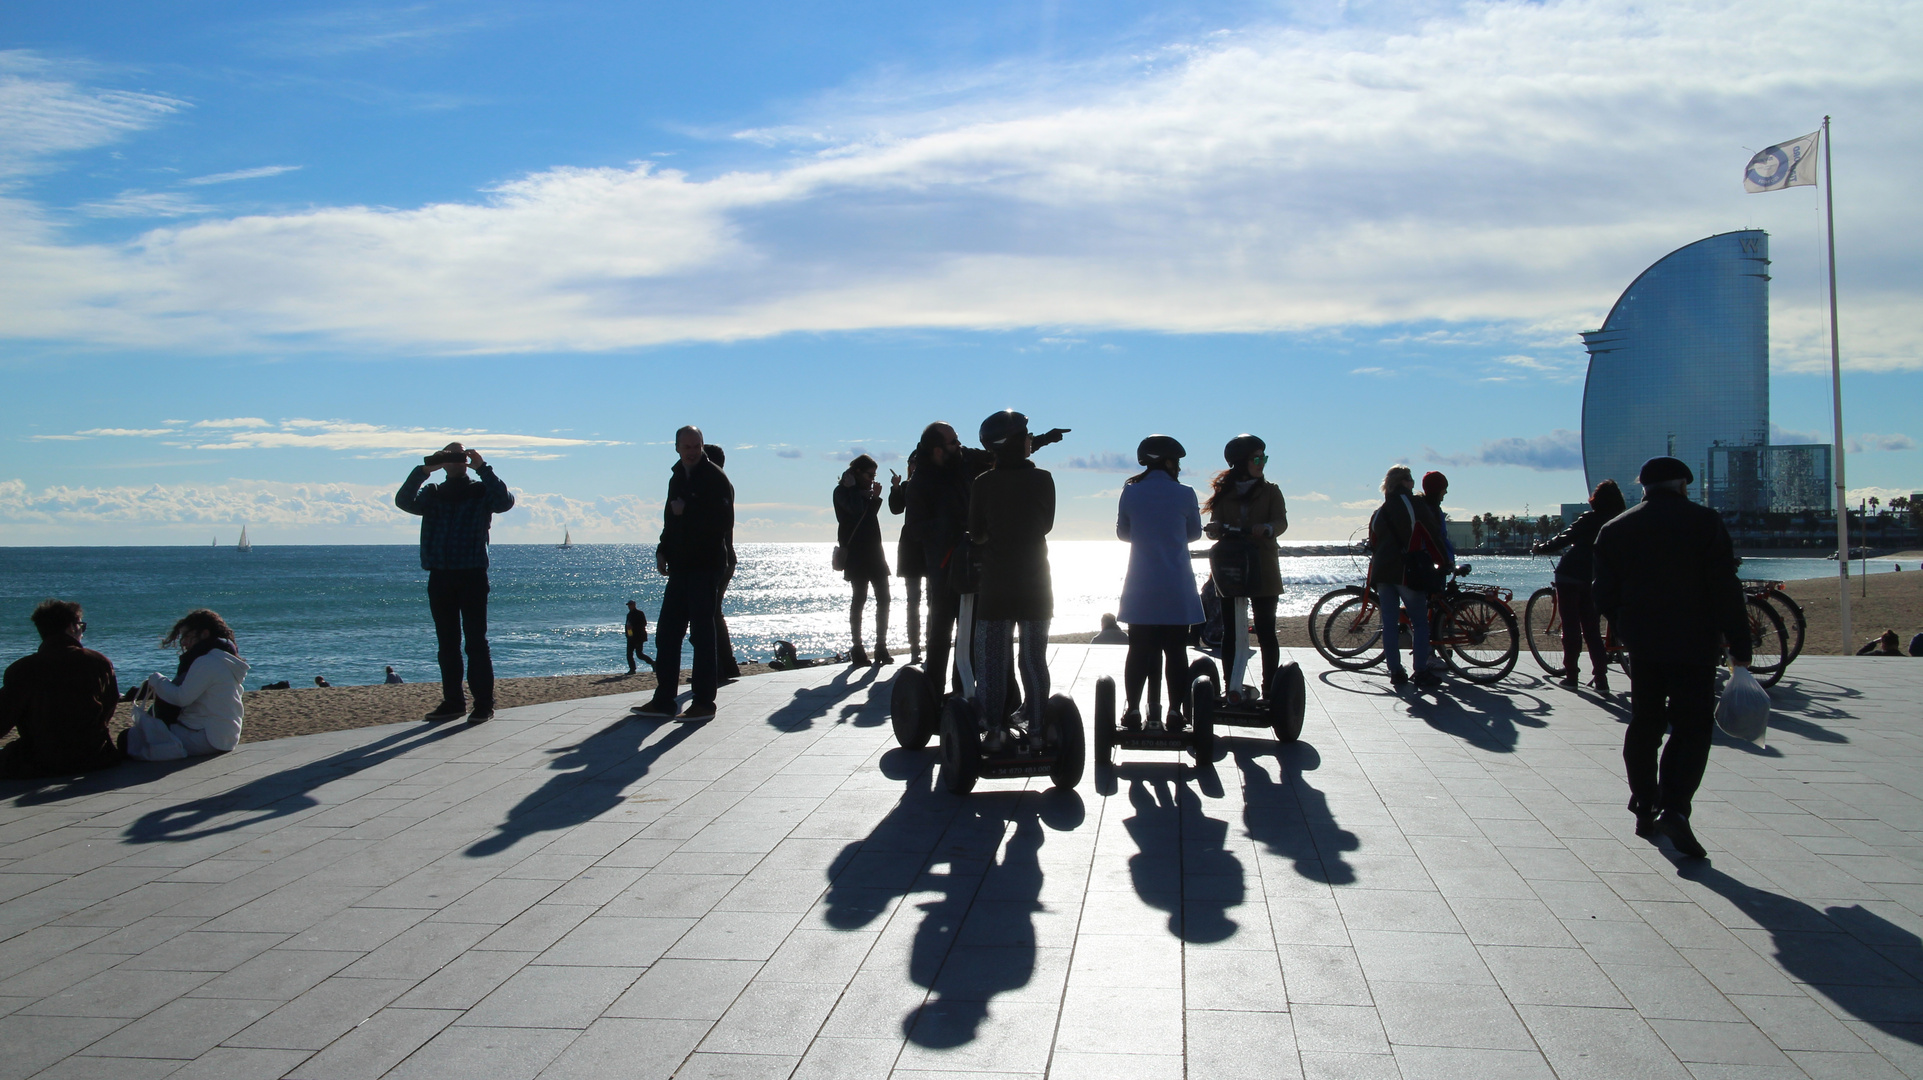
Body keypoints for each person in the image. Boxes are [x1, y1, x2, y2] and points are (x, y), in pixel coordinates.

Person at [1594, 456, 1752, 860]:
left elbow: (1604, 594)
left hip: (1644, 643)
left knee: (1646, 720)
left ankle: (1645, 802)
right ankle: (1676, 807)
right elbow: (1724, 585)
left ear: (1642, 486)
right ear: (1683, 484)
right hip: (1694, 641)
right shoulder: (1704, 522)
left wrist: (1626, 625)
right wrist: (1739, 642)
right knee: (1692, 725)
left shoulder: (1616, 529)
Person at [396, 442, 515, 724]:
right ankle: (453, 702)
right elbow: (404, 501)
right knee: (447, 644)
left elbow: (505, 502)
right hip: (440, 574)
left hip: (472, 573)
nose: (453, 461)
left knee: (476, 643)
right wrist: (424, 470)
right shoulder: (433, 493)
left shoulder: (480, 491)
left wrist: (483, 468)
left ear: (465, 461)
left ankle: (483, 704)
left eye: (458, 456)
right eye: (447, 456)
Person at [633, 425, 734, 721]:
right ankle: (664, 699)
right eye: (686, 446)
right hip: (680, 567)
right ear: (677, 447)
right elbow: (669, 519)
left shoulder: (715, 478)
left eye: (695, 446)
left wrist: (686, 511)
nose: (690, 451)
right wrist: (662, 550)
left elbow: (722, 523)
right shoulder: (676, 477)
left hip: (705, 566)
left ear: (701, 446)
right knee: (666, 633)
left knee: (702, 636)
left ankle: (704, 702)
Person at [968, 410, 1057, 743]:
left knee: (992, 661)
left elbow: (976, 533)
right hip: (1036, 584)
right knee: (1033, 660)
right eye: (1026, 434)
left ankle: (992, 730)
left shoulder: (983, 484)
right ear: (1017, 443)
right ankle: (1035, 730)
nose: (1030, 438)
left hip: (996, 586)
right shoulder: (1043, 479)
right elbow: (1046, 524)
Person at [1117, 435, 1204, 729]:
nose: (1178, 468)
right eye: (1176, 462)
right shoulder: (1186, 493)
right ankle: (1175, 711)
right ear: (1168, 462)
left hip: (1141, 585)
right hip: (1176, 584)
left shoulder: (1130, 492)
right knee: (1175, 650)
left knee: (1138, 649)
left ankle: (1132, 709)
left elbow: (1122, 533)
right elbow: (1194, 534)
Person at [1205, 434, 1290, 700]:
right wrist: (1214, 529)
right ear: (1241, 462)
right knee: (1231, 631)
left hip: (1262, 565)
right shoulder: (1224, 493)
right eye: (1257, 457)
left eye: (1264, 457)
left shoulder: (1271, 491)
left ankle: (1270, 687)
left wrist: (1267, 528)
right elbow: (1215, 525)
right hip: (1232, 566)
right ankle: (1231, 686)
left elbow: (1281, 521)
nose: (1261, 462)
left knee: (1265, 629)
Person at [0, 600, 121, 778]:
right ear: (72, 627)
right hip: (95, 756)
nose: (81, 632)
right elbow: (109, 706)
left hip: (40, 759)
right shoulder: (99, 662)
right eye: (81, 626)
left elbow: (4, 717)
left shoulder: (21, 669)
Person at [1533, 479, 1628, 693]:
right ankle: (1601, 678)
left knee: (1571, 626)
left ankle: (1572, 675)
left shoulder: (1589, 519)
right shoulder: (1620, 523)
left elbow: (1564, 539)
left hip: (1570, 574)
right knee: (1592, 629)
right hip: (1596, 578)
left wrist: (1540, 548)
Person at [127, 609, 250, 760]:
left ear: (204, 634)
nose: (183, 642)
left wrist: (157, 680)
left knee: (131, 737)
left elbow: (181, 698)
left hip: (206, 738)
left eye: (187, 635)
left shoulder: (206, 661)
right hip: (227, 737)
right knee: (146, 734)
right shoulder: (225, 659)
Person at [1368, 464, 1443, 687]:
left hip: (1382, 573)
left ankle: (1395, 671)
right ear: (1404, 482)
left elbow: (1373, 541)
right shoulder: (1414, 505)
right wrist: (1444, 561)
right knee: (1419, 623)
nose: (1413, 484)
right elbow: (1431, 533)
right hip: (1406, 571)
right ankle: (1420, 671)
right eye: (1410, 480)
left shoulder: (1380, 511)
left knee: (1389, 624)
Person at [835, 454, 893, 666]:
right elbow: (857, 512)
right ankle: (858, 648)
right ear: (857, 472)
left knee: (884, 599)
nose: (872, 479)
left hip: (874, 552)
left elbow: (870, 516)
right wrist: (867, 495)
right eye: (870, 475)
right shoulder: (842, 491)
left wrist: (874, 497)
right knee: (859, 599)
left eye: (874, 475)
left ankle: (881, 646)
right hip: (857, 554)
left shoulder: (862, 492)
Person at [704, 445, 742, 682]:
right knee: (714, 613)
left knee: (710, 613)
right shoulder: (723, 485)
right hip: (725, 557)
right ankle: (725, 665)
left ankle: (720, 666)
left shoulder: (716, 486)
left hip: (719, 558)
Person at [888, 450, 928, 666]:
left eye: (918, 462)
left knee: (933, 600)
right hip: (911, 546)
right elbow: (895, 509)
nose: (914, 466)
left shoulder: (933, 485)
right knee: (913, 601)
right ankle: (915, 648)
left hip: (930, 544)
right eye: (912, 462)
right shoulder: (906, 486)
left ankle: (931, 645)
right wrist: (895, 487)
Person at [625, 601, 652, 674]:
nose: (629, 606)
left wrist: (633, 627)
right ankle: (632, 669)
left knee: (639, 654)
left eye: (630, 605)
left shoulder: (639, 613)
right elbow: (627, 625)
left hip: (639, 637)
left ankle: (653, 663)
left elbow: (644, 623)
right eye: (628, 605)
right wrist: (627, 635)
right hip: (631, 637)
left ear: (634, 605)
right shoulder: (629, 614)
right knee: (629, 654)